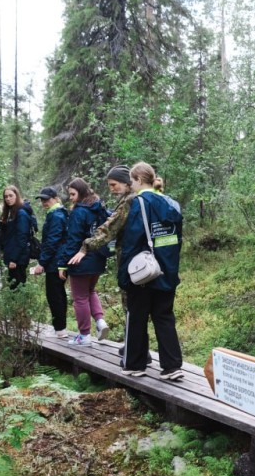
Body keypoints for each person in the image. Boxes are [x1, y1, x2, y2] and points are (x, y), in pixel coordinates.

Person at [117, 162, 184, 381]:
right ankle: (172, 366)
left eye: (132, 181)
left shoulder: (138, 204)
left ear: (137, 180)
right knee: (164, 317)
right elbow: (177, 238)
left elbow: (132, 242)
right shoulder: (171, 203)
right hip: (167, 270)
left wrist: (125, 276)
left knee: (137, 316)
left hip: (144, 273)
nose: (131, 185)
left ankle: (135, 365)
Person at [58, 178, 111, 346]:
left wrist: (63, 263)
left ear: (81, 193)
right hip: (98, 257)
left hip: (80, 259)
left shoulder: (78, 212)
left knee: (80, 297)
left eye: (73, 194)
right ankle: (100, 321)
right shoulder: (99, 208)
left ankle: (84, 335)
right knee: (90, 291)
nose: (71, 198)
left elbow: (73, 240)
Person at [31, 187, 69, 338]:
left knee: (54, 295)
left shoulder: (56, 216)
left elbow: (52, 242)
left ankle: (60, 329)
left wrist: (42, 263)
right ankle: (61, 328)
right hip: (58, 261)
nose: (43, 202)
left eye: (46, 199)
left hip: (55, 262)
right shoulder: (58, 213)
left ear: (55, 198)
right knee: (59, 294)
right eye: (41, 200)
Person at [0, 185, 33, 288]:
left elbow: (22, 238)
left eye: (11, 196)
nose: (8, 199)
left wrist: (14, 259)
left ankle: (22, 304)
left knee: (17, 286)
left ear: (16, 196)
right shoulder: (10, 212)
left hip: (18, 258)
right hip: (11, 255)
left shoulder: (21, 213)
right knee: (13, 286)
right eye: (6, 196)